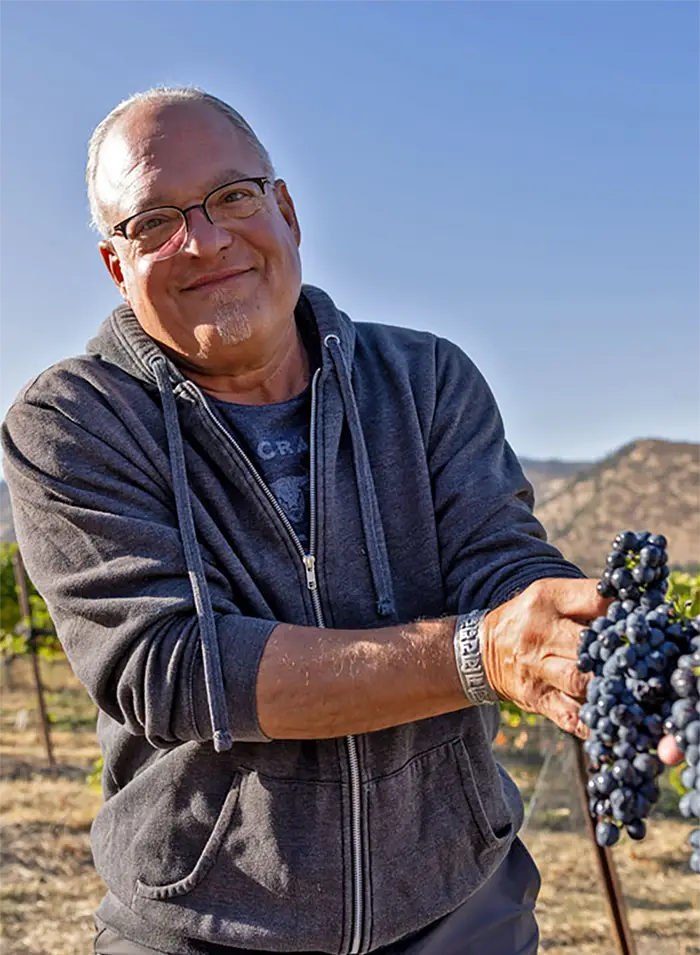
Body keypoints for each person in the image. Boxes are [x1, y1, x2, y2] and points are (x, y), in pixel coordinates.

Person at [2, 87, 609, 955]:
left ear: (284, 209)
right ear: (116, 264)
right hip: (204, 928)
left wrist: (575, 638)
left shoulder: (427, 380)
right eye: (153, 222)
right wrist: (482, 653)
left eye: (232, 197)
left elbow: (499, 560)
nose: (203, 239)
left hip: (464, 908)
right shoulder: (70, 423)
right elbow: (173, 667)